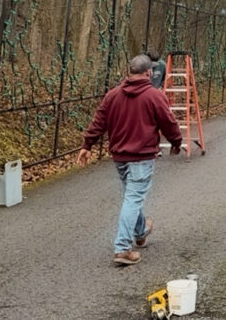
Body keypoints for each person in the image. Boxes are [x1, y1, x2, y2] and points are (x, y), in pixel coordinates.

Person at [77, 54, 183, 265]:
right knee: (133, 198)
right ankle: (123, 248)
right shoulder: (154, 96)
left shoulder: (113, 95)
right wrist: (176, 142)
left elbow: (99, 121)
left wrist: (87, 145)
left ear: (129, 72)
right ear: (148, 73)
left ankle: (141, 230)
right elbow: (168, 123)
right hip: (141, 157)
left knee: (131, 196)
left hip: (120, 158)